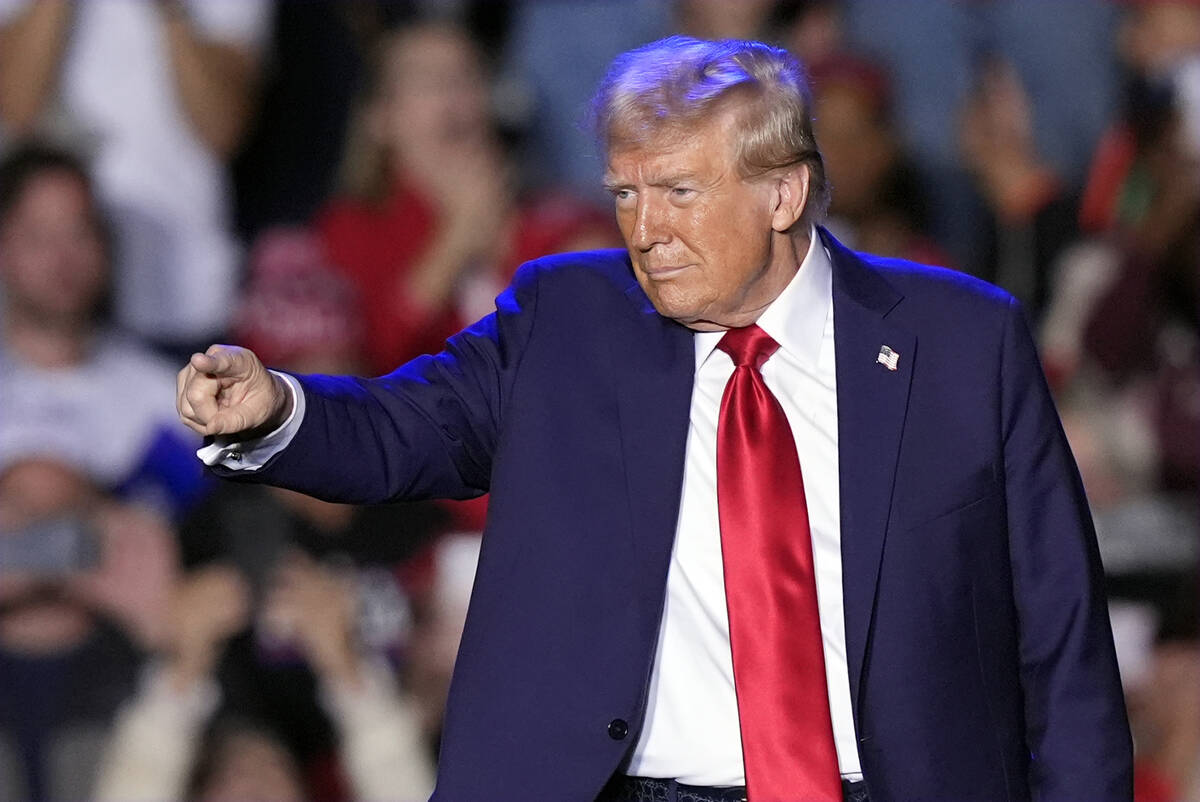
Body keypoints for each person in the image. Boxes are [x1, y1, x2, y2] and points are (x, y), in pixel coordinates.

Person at [177, 37, 1132, 802]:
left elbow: (1059, 638)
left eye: (679, 190)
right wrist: (275, 408)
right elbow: (401, 429)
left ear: (782, 192)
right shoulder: (568, 319)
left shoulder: (962, 344)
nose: (644, 228)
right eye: (626, 192)